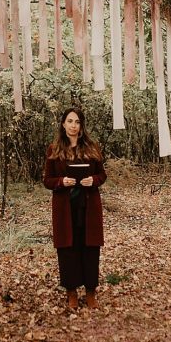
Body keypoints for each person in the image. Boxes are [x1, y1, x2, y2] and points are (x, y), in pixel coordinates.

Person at [43, 107, 107, 310]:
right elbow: (47, 180)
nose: (73, 125)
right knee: (68, 250)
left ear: (81, 125)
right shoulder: (54, 149)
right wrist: (62, 181)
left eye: (77, 122)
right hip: (65, 208)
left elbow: (102, 175)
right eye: (69, 121)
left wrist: (93, 180)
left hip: (88, 207)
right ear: (63, 124)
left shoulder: (91, 147)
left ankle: (90, 293)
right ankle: (71, 293)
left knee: (89, 249)